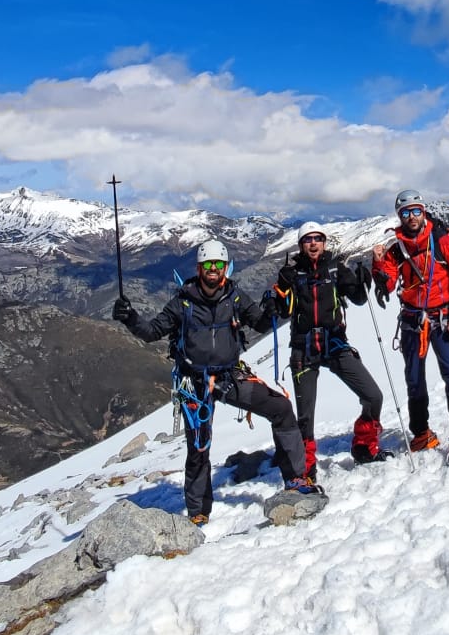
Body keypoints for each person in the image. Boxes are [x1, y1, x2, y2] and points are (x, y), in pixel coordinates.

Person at [112, 238, 316, 525]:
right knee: (198, 445)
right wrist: (130, 318)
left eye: (218, 264)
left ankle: (296, 478)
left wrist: (273, 308)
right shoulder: (183, 302)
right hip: (194, 383)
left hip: (229, 375)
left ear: (226, 268)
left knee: (280, 408)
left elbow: (258, 322)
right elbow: (152, 331)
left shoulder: (234, 297)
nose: (213, 269)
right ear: (199, 267)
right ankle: (198, 511)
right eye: (208, 264)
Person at [271, 222, 393, 479]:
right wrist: (281, 290)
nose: (313, 243)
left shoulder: (336, 269)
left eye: (317, 239)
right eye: (308, 240)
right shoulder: (293, 274)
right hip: (304, 350)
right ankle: (305, 467)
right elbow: (282, 311)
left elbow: (358, 299)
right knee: (306, 415)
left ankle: (363, 447)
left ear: (324, 242)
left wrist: (361, 280)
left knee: (373, 396)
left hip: (335, 344)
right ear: (301, 245)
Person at [372, 190, 449, 458]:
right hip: (413, 320)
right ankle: (421, 433)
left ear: (423, 211)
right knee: (415, 379)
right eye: (405, 212)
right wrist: (378, 264)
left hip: (443, 319)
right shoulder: (397, 247)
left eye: (416, 210)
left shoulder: (443, 241)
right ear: (399, 216)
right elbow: (388, 281)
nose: (412, 217)